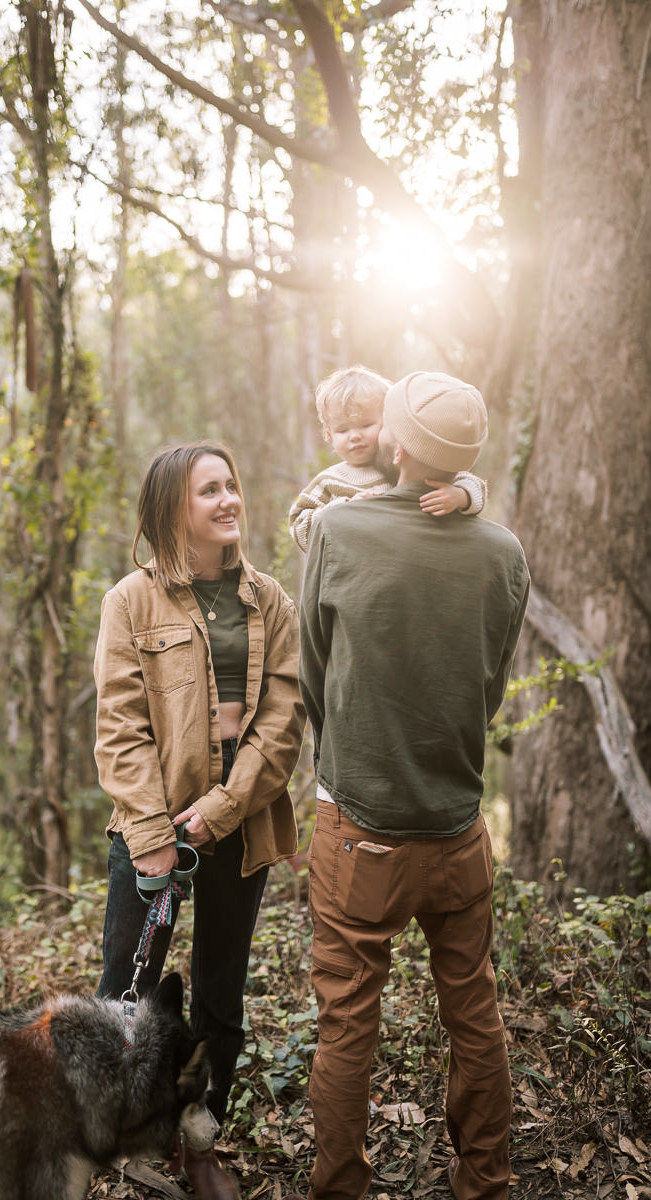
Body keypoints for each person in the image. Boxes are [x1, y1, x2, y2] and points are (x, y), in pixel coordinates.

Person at [294, 371, 530, 1200]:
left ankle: (339, 1188)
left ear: (395, 442)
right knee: (475, 1013)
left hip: (357, 827)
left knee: (347, 1023)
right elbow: (489, 687)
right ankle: (486, 1182)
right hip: (456, 824)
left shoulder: (338, 530)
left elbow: (314, 674)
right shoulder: (502, 553)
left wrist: (353, 757)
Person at [93, 441, 305, 1200]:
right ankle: (120, 1131)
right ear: (172, 509)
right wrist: (154, 836)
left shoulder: (271, 601)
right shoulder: (131, 600)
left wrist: (221, 809)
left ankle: (203, 1137)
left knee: (221, 990)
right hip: (151, 830)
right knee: (128, 989)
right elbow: (120, 726)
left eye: (231, 485)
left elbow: (284, 717)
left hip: (239, 822)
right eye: (208, 491)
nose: (228, 500)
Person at [288, 364, 487, 552]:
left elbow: (470, 482)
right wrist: (342, 509)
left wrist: (460, 496)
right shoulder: (329, 480)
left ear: (386, 422)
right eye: (342, 430)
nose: (354, 436)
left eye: (366, 425)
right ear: (329, 435)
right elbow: (299, 526)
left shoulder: (399, 465)